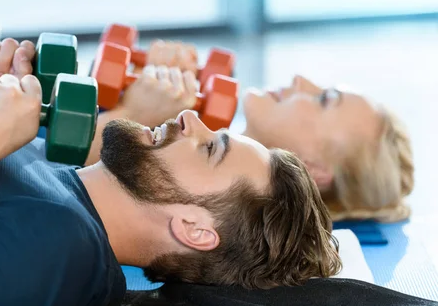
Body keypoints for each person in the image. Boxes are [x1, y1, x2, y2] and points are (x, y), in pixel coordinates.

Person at [0, 38, 341, 306]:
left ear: (194, 228)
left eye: (212, 148)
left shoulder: (59, 249)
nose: (192, 120)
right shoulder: (66, 179)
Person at [145, 40, 415, 223]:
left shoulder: (183, 201)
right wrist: (140, 79)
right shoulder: (184, 119)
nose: (300, 80)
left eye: (323, 100)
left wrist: (130, 117)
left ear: (311, 168)